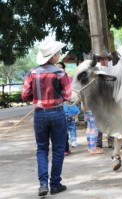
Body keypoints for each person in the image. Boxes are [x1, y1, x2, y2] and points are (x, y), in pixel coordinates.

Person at [21, 39, 71, 196]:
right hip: (57, 113)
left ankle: (43, 184)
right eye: (58, 53)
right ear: (54, 56)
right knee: (58, 149)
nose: (59, 55)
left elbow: (24, 95)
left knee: (42, 149)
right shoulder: (60, 73)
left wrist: (36, 98)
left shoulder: (32, 73)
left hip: (39, 114)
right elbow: (68, 95)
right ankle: (55, 184)